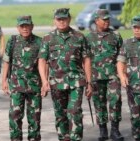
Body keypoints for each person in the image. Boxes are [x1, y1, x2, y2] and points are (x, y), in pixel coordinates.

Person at [38, 8, 92, 141]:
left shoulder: (79, 37)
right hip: (56, 82)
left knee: (75, 112)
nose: (62, 21)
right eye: (59, 19)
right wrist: (44, 81)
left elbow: (86, 59)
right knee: (60, 114)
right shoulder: (48, 38)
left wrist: (89, 82)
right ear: (54, 20)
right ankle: (64, 137)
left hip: (76, 81)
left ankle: (75, 138)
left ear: (69, 19)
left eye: (64, 19)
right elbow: (42, 60)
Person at [2, 15, 42, 141]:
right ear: (17, 28)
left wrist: (45, 82)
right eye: (22, 26)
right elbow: (7, 62)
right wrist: (3, 80)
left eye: (27, 25)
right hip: (16, 87)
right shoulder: (12, 41)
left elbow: (43, 63)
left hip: (34, 87)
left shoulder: (39, 42)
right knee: (15, 118)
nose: (25, 28)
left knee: (34, 119)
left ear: (32, 26)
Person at [85, 9, 124, 141]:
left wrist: (123, 74)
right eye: (104, 20)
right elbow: (84, 59)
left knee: (115, 101)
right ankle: (103, 131)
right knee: (99, 103)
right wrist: (87, 79)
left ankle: (115, 130)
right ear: (97, 21)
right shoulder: (88, 38)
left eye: (108, 19)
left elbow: (122, 56)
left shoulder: (116, 36)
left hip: (113, 76)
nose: (107, 22)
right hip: (95, 77)